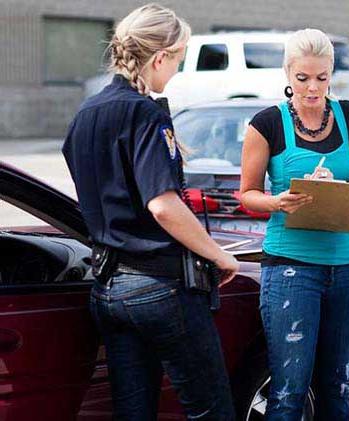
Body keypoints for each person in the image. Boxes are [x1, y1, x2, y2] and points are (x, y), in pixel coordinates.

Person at [62, 4, 239, 419]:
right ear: (160, 57)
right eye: (179, 60)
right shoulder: (144, 113)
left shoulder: (85, 114)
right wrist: (218, 254)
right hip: (160, 287)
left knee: (132, 412)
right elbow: (162, 205)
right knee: (212, 410)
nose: (176, 72)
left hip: (107, 288)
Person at [238, 28, 349, 420]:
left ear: (331, 73)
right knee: (289, 390)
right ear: (287, 74)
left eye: (321, 77)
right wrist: (277, 201)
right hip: (290, 269)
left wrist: (337, 188)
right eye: (303, 79)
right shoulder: (266, 123)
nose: (312, 88)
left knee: (338, 387)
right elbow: (247, 193)